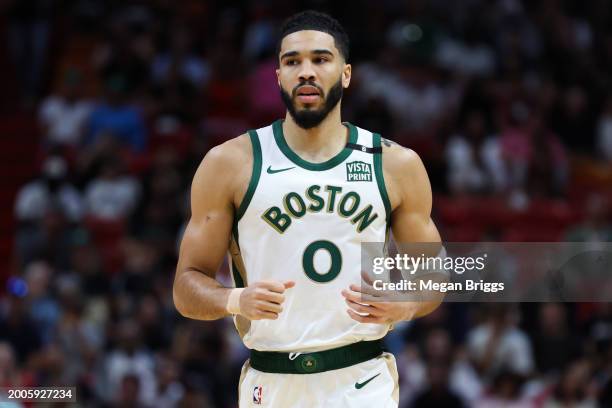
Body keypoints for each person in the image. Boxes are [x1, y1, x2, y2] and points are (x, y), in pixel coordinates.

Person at [173, 10, 442, 407]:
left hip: (361, 380)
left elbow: (433, 279)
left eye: (320, 59)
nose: (306, 72)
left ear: (346, 73)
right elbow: (185, 287)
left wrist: (406, 304)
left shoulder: (395, 164)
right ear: (278, 76)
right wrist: (235, 299)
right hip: (271, 379)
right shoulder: (230, 163)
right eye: (292, 61)